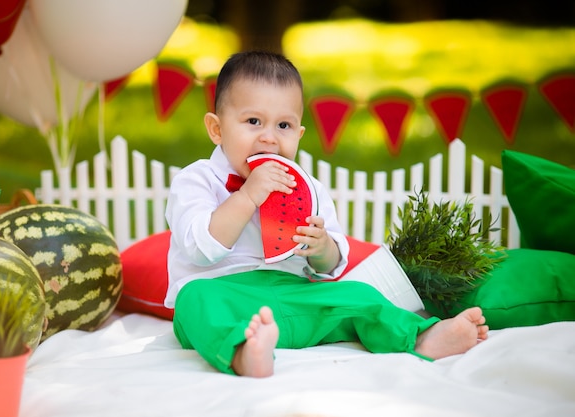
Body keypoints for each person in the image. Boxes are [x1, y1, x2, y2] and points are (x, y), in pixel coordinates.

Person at [164, 50, 488, 378]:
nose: (269, 137)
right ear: (216, 129)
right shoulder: (196, 180)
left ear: (299, 135)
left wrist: (321, 249)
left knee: (357, 293)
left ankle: (419, 337)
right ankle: (243, 352)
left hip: (295, 297)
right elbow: (200, 248)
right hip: (226, 294)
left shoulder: (309, 189)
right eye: (253, 121)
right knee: (194, 302)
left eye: (284, 125)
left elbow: (332, 266)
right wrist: (248, 195)